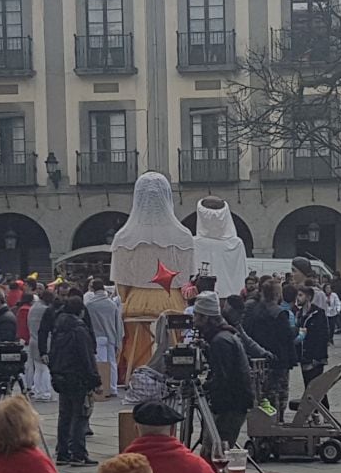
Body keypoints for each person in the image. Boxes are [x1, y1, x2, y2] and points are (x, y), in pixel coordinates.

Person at [110, 172, 195, 383]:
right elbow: (188, 277)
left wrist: (126, 298)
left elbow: (121, 280)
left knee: (135, 334)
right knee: (175, 336)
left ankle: (137, 370)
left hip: (137, 301)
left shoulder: (123, 236)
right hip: (172, 300)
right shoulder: (183, 235)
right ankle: (176, 370)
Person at [192, 292, 254, 448]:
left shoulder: (221, 341)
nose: (193, 320)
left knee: (215, 450)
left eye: (196, 316)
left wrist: (203, 387)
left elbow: (222, 378)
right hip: (233, 403)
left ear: (206, 318)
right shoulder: (222, 337)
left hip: (230, 406)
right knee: (215, 449)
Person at [48, 296, 100, 466]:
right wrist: (94, 379)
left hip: (61, 376)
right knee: (80, 415)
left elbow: (52, 353)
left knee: (65, 415)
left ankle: (62, 452)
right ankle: (78, 453)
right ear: (80, 311)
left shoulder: (58, 327)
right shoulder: (79, 329)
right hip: (78, 377)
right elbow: (87, 356)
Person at [243, 279, 296, 416]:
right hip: (278, 360)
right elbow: (287, 336)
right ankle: (277, 422)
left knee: (263, 395)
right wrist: (296, 331)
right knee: (279, 394)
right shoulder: (279, 313)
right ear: (277, 294)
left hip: (259, 359)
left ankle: (265, 422)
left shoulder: (254, 310)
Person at [192, 196, 249, 296]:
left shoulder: (193, 243)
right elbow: (242, 277)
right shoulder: (236, 244)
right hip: (231, 301)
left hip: (201, 300)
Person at [86, 279, 124, 398]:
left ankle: (103, 389)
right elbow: (118, 323)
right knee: (112, 363)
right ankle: (113, 389)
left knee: (101, 363)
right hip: (111, 336)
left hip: (97, 337)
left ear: (93, 289)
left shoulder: (89, 305)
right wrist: (119, 340)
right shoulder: (111, 304)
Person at [296, 285, 330, 393]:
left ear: (309, 297)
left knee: (317, 388)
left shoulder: (318, 313)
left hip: (315, 358)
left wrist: (317, 357)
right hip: (304, 357)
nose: (298, 298)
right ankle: (313, 410)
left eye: (301, 295)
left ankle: (323, 409)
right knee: (309, 388)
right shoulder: (299, 314)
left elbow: (323, 336)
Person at [28, 289, 55, 402]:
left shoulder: (33, 308)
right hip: (43, 341)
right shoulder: (45, 310)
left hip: (32, 340)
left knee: (38, 369)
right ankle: (46, 393)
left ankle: (38, 391)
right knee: (45, 368)